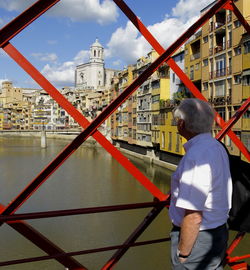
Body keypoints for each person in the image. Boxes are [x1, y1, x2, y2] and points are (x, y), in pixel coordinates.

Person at [169, 98, 232, 270]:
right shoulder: (216, 146)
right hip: (218, 231)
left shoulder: (196, 156)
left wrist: (183, 254)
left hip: (198, 240)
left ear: (181, 124)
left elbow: (194, 215)